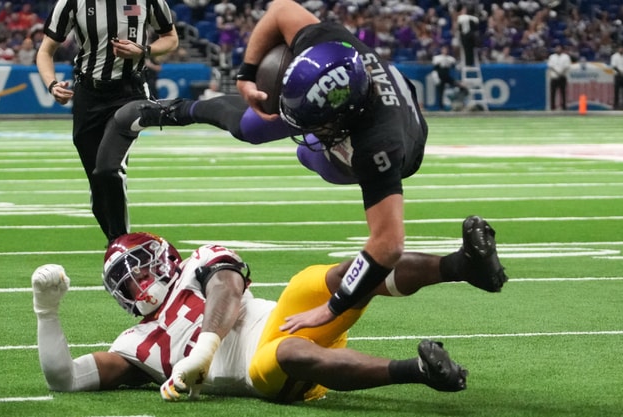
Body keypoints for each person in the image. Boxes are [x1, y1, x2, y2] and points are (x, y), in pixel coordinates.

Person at [102, 0, 508, 331]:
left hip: (400, 144)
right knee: (255, 121)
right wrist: (246, 74)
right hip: (360, 102)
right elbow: (280, 9)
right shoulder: (329, 41)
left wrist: (331, 308)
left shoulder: (376, 147)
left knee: (308, 154)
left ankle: (309, 144)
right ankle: (176, 111)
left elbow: (388, 244)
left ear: (342, 120)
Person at [33, 223, 510, 401]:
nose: (137, 285)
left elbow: (227, 286)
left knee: (309, 279)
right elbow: (64, 380)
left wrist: (202, 351)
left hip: (284, 316)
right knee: (279, 355)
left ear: (163, 256)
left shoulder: (200, 264)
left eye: (138, 270)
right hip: (261, 374)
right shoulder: (132, 346)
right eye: (126, 281)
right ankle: (422, 372)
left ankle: (464, 266)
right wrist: (46, 313)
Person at [36, 0, 179, 244]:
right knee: (98, 183)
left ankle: (123, 245)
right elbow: (45, 51)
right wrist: (52, 85)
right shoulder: (72, 3)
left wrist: (143, 51)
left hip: (129, 92)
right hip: (88, 96)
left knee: (108, 169)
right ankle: (116, 244)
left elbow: (171, 38)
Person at [432, 45, 467, 111]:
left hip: (447, 76)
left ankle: (460, 103)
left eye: (446, 49)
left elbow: (455, 67)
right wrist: (436, 78)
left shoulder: (450, 59)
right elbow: (435, 69)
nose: (445, 51)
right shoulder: (437, 58)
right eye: (443, 49)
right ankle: (440, 107)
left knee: (459, 85)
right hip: (440, 76)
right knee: (440, 92)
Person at [547, 44, 571, 110]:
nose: (558, 49)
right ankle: (552, 106)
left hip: (562, 76)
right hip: (554, 76)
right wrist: (557, 72)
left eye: (559, 48)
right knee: (553, 92)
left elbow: (567, 66)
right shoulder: (552, 57)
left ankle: (564, 106)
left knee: (563, 92)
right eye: (556, 48)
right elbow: (551, 66)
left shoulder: (566, 57)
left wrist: (561, 73)